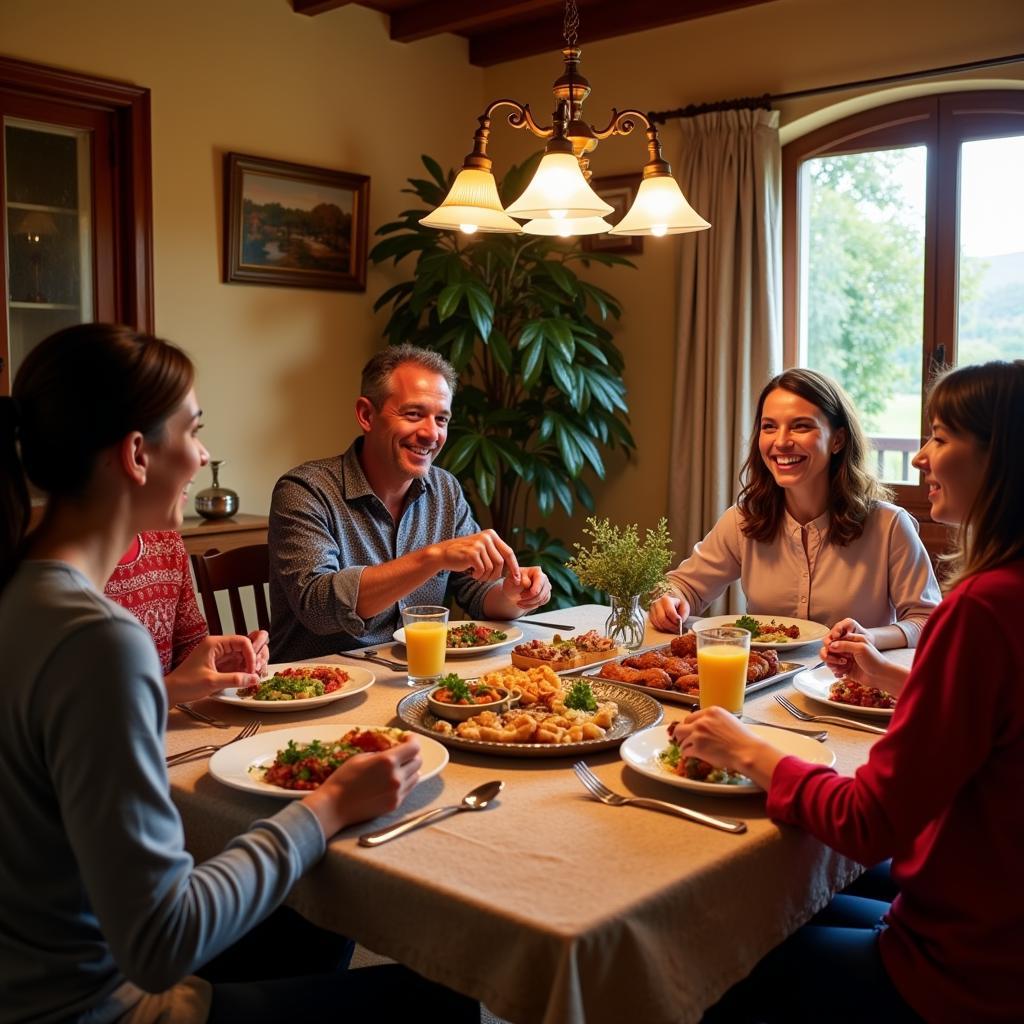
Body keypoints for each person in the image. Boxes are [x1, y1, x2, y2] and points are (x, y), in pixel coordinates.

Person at [0, 324, 477, 1023]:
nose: (204, 454)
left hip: (38, 966)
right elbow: (163, 943)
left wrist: (172, 691)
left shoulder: (24, 593)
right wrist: (327, 808)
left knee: (317, 916)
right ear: (137, 454)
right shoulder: (101, 640)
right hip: (96, 1005)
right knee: (447, 996)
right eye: (194, 431)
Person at [675, 360, 1024, 1023]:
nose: (921, 455)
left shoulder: (978, 607)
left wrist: (747, 751)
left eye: (941, 436)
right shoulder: (1001, 601)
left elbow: (868, 822)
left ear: (1000, 454)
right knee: (787, 896)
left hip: (965, 967)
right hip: (985, 907)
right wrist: (892, 676)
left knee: (710, 949)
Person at [270, 343, 552, 661]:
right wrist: (433, 557)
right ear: (366, 415)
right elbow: (318, 607)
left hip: (418, 676)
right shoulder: (305, 490)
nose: (431, 434)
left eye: (442, 419)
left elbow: (476, 591)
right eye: (414, 414)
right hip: (314, 690)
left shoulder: (445, 489)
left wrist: (512, 595)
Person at [650, 368, 939, 650]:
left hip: (848, 687)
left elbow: (927, 621)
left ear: (837, 439)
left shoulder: (889, 526)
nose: (781, 441)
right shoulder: (743, 520)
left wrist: (871, 638)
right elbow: (683, 586)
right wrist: (671, 599)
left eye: (801, 426)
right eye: (769, 427)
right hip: (763, 683)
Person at [105, 530, 273, 704]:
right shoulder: (78, 568)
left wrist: (221, 662)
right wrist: (169, 690)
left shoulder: (167, 542)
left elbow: (187, 644)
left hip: (167, 722)